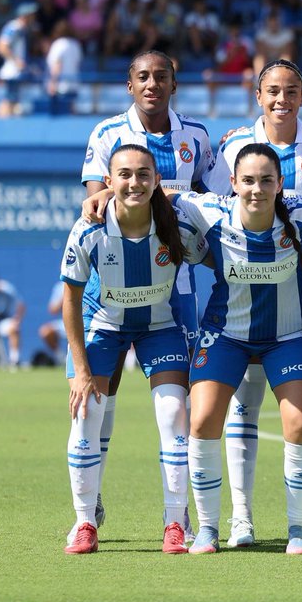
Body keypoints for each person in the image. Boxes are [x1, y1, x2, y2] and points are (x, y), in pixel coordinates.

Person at [203, 59, 302, 549]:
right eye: (272, 91)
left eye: (290, 91)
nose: (281, 99)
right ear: (257, 95)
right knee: (241, 411)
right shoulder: (229, 147)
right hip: (239, 305)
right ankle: (239, 518)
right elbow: (204, 208)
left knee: (301, 417)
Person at [169, 145, 302, 554]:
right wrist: (101, 195)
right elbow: (166, 192)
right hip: (226, 334)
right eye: (247, 180)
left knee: (299, 425)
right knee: (203, 418)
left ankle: (298, 528)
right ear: (233, 184)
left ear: (281, 184)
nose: (257, 189)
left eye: (266, 180)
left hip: (287, 336)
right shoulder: (211, 210)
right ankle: (209, 528)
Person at [80, 51, 214, 533]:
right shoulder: (107, 134)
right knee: (102, 399)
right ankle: (89, 506)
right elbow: (94, 202)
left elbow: (218, 203)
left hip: (175, 292)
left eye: (161, 76)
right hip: (112, 290)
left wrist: (180, 203)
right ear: (129, 85)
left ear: (174, 84)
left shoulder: (195, 137)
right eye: (143, 77)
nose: (152, 83)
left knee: (179, 408)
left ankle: (179, 512)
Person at [62, 144, 206, 555]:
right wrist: (81, 370)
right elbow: (69, 300)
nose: (134, 182)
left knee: (174, 412)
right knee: (88, 411)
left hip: (159, 325)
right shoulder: (88, 228)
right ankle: (85, 521)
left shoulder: (176, 224)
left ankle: (175, 521)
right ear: (108, 182)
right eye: (124, 174)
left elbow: (214, 252)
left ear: (157, 180)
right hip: (103, 325)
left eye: (143, 174)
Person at [0, 3, 37, 118]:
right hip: (12, 71)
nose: (33, 17)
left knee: (13, 102)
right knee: (9, 101)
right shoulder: (14, 28)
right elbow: (1, 47)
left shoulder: (21, 29)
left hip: (17, 71)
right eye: (31, 15)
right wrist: (16, 61)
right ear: (25, 16)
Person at [46, 21, 83, 115]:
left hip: (60, 87)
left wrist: (52, 82)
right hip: (74, 85)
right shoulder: (76, 45)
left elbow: (57, 65)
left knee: (59, 117)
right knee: (71, 112)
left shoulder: (58, 44)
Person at [39, 281, 66, 366]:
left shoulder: (89, 282)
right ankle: (61, 358)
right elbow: (53, 310)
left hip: (87, 321)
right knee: (46, 331)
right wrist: (66, 297)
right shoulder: (60, 286)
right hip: (67, 322)